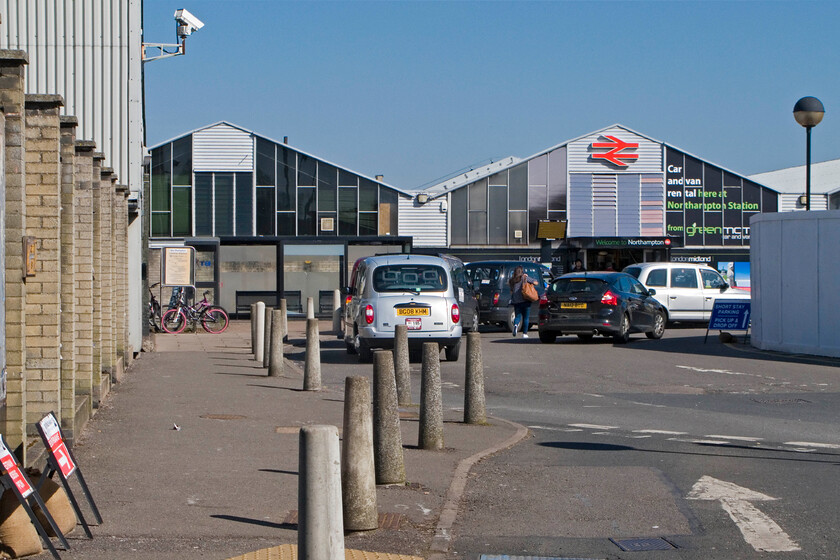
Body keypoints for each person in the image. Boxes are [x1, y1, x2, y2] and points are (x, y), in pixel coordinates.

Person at [508, 265, 539, 338]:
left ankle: (515, 325)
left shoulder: (512, 280)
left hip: (516, 301)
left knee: (518, 316)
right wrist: (527, 278)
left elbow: (511, 290)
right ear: (522, 271)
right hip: (525, 300)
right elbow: (535, 282)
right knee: (526, 317)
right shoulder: (524, 277)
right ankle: (524, 333)